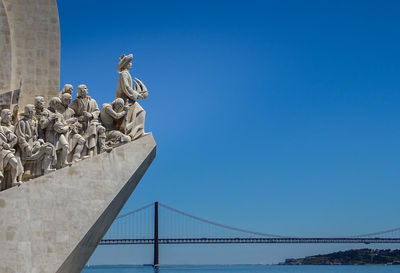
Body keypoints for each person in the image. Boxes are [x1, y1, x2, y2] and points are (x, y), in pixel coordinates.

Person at [15, 104, 55, 180]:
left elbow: (40, 134)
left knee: (49, 148)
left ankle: (47, 170)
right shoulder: (22, 122)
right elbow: (20, 137)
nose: (35, 111)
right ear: (29, 112)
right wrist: (26, 147)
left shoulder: (35, 121)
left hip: (35, 145)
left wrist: (39, 141)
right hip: (26, 149)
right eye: (33, 109)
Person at [115, 54, 149, 140]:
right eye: (129, 62)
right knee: (140, 111)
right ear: (125, 64)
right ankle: (133, 134)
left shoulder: (126, 74)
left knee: (140, 112)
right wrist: (138, 95)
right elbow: (126, 87)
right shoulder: (124, 74)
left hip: (129, 99)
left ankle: (137, 132)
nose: (131, 64)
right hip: (126, 100)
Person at [71, 84, 110, 156]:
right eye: (85, 88)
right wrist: (79, 118)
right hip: (81, 125)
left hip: (91, 121)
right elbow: (71, 114)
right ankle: (88, 153)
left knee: (101, 129)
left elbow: (97, 111)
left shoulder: (92, 101)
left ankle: (102, 147)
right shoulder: (75, 102)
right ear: (82, 91)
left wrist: (91, 115)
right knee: (92, 130)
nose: (87, 90)